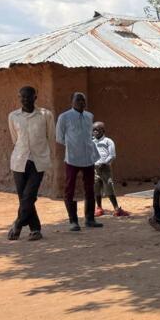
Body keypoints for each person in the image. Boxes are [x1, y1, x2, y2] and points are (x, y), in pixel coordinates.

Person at [7, 85, 55, 241]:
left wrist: (46, 154)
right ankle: (35, 229)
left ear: (35, 97)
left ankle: (18, 224)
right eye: (23, 97)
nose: (26, 99)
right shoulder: (13, 116)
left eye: (29, 96)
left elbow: (50, 137)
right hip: (19, 160)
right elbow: (15, 139)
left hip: (38, 160)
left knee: (29, 195)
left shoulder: (45, 115)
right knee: (24, 197)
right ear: (19, 98)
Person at [55, 91, 102, 231]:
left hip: (88, 158)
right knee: (70, 189)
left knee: (90, 188)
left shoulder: (89, 116)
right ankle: (73, 221)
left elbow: (88, 135)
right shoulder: (64, 117)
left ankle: (90, 219)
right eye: (78, 100)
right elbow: (59, 138)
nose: (81, 103)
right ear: (72, 102)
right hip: (72, 158)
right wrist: (73, 145)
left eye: (83, 100)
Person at [92, 121, 129, 217]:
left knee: (108, 187)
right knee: (96, 187)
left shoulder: (108, 141)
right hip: (94, 168)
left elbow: (112, 155)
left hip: (105, 168)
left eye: (97, 130)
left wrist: (104, 162)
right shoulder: (92, 142)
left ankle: (117, 209)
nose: (94, 132)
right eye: (93, 130)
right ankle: (99, 208)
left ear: (103, 131)